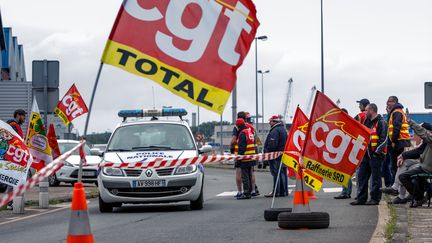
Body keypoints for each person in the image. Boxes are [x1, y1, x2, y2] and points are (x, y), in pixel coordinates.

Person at [351, 103, 387, 205]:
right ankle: (361, 198)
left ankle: (375, 199)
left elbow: (383, 140)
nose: (364, 113)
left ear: (372, 110)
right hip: (365, 155)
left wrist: (376, 153)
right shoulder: (366, 122)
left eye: (366, 110)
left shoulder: (382, 122)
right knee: (361, 177)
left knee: (375, 179)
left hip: (376, 156)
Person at [399, 119, 432, 208]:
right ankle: (421, 195)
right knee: (416, 175)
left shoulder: (429, 138)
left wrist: (410, 122)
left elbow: (423, 132)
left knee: (403, 176)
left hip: (427, 168)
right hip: (424, 166)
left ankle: (419, 197)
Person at [3, 109, 27, 209]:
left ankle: (10, 202)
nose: (24, 118)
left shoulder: (15, 126)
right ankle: (9, 203)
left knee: (13, 180)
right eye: (23, 116)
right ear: (18, 115)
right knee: (12, 180)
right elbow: (13, 141)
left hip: (14, 157)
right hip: (12, 157)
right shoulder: (13, 126)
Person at [385, 96, 411, 184]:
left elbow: (397, 127)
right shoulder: (395, 112)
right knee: (395, 165)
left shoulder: (397, 112)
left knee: (396, 166)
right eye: (387, 101)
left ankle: (396, 186)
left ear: (395, 102)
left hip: (399, 142)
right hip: (401, 141)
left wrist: (393, 141)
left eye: (390, 101)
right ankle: (395, 186)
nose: (387, 103)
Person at [264, 115, 288, 197]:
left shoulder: (275, 131)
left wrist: (268, 153)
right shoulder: (283, 130)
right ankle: (283, 191)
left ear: (274, 122)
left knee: (277, 173)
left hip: (275, 156)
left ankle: (276, 191)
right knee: (282, 173)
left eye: (270, 121)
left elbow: (272, 144)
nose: (269, 123)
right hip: (282, 155)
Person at [334, 108, 353, 199]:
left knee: (344, 172)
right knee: (346, 173)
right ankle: (346, 192)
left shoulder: (345, 124)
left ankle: (345, 192)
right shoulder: (347, 124)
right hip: (345, 151)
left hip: (345, 151)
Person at [235, 118, 256, 200]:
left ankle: (246, 193)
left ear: (238, 126)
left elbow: (242, 148)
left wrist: (239, 159)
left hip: (245, 158)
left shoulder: (243, 133)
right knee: (250, 175)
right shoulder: (250, 132)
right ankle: (250, 191)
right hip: (251, 157)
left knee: (245, 177)